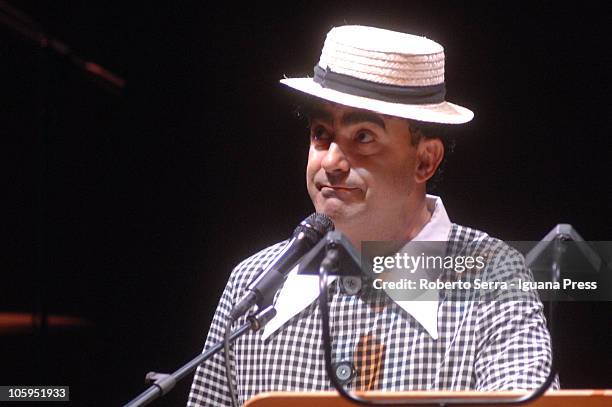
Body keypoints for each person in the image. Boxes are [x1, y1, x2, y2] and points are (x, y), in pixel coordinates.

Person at [187, 25, 555, 406]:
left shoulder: (492, 276)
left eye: (363, 137)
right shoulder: (253, 284)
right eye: (320, 134)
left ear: (425, 160)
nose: (330, 162)